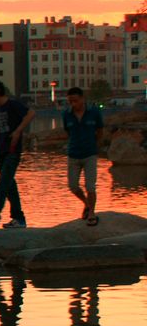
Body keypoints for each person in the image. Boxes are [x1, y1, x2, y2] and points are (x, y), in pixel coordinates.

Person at [0, 79, 35, 229]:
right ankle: (19, 218)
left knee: (3, 183)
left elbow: (30, 113)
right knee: (10, 186)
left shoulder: (13, 104)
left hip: (13, 150)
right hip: (1, 150)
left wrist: (18, 131)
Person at [62, 86, 104, 226]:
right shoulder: (66, 114)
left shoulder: (94, 112)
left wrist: (95, 145)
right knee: (73, 186)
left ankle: (91, 213)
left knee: (90, 186)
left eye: (75, 101)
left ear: (82, 99)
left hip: (89, 154)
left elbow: (100, 131)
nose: (73, 104)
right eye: (70, 101)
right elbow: (68, 132)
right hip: (73, 154)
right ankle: (86, 203)